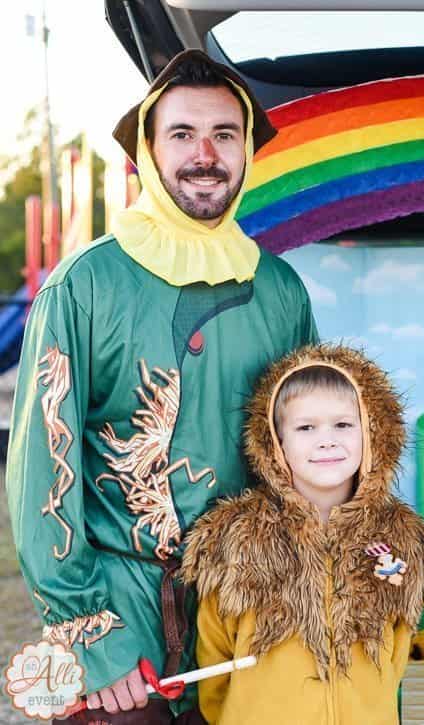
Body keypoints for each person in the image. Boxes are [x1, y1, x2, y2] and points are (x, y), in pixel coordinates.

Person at [6, 50, 317, 724]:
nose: (204, 154)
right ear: (147, 150)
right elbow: (41, 481)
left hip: (245, 616)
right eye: (182, 134)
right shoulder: (83, 286)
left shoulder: (282, 290)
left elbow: (313, 453)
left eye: (224, 135)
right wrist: (93, 635)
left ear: (246, 151)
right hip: (119, 613)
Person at [179, 343, 424, 724]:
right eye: (306, 427)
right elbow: (215, 657)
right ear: (276, 442)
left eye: (342, 424)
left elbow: (396, 655)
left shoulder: (400, 541)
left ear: (373, 432)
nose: (326, 440)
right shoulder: (236, 542)